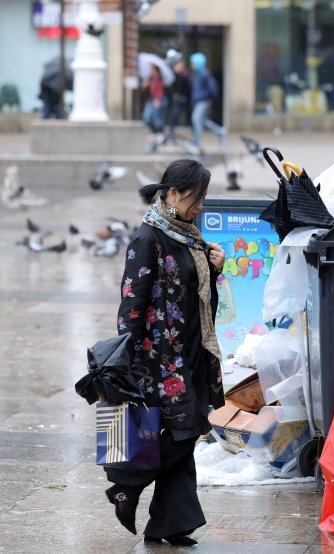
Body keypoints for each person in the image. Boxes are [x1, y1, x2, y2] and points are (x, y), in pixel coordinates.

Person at [105, 159, 225, 546]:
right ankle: (125, 486)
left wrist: (214, 267)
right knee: (181, 432)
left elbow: (194, 295)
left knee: (186, 433)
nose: (201, 206)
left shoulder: (188, 237)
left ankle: (170, 524)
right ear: (173, 194)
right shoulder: (147, 239)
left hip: (190, 352)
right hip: (157, 360)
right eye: (196, 197)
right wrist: (127, 362)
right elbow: (131, 307)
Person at [190, 52, 226, 147]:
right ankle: (219, 131)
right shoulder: (196, 74)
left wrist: (204, 96)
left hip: (203, 101)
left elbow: (213, 89)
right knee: (202, 121)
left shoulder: (204, 74)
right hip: (199, 101)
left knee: (196, 118)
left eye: (193, 63)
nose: (191, 65)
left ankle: (197, 141)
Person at [166, 50, 192, 143]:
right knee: (174, 115)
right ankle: (171, 132)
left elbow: (188, 87)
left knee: (191, 117)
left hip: (186, 98)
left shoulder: (184, 74)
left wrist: (184, 96)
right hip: (179, 98)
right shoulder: (174, 74)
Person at [142, 64, 167, 136]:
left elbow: (160, 90)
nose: (149, 70)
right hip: (151, 99)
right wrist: (145, 85)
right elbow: (145, 91)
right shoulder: (150, 78)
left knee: (157, 117)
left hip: (157, 99)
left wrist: (158, 99)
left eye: (150, 68)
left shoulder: (159, 78)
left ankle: (159, 133)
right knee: (147, 118)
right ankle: (154, 132)